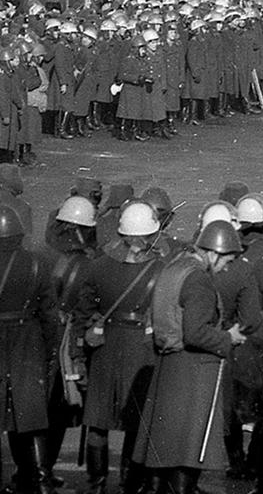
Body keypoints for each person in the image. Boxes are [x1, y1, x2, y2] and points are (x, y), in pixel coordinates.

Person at [130, 220, 244, 494]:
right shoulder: (199, 279)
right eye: (227, 260)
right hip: (192, 374)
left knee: (161, 456)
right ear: (214, 252)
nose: (227, 267)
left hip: (168, 368)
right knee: (187, 455)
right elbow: (195, 333)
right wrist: (229, 338)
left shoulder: (175, 267)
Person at [73, 201, 170, 494]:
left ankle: (97, 485)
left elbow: (83, 309)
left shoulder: (98, 264)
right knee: (136, 422)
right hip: (142, 347)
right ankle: (130, 484)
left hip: (106, 345)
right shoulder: (160, 269)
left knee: (98, 421)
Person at [0, 204, 59, 494]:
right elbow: (49, 315)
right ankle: (41, 481)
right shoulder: (37, 263)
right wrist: (49, 350)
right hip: (28, 340)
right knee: (31, 418)